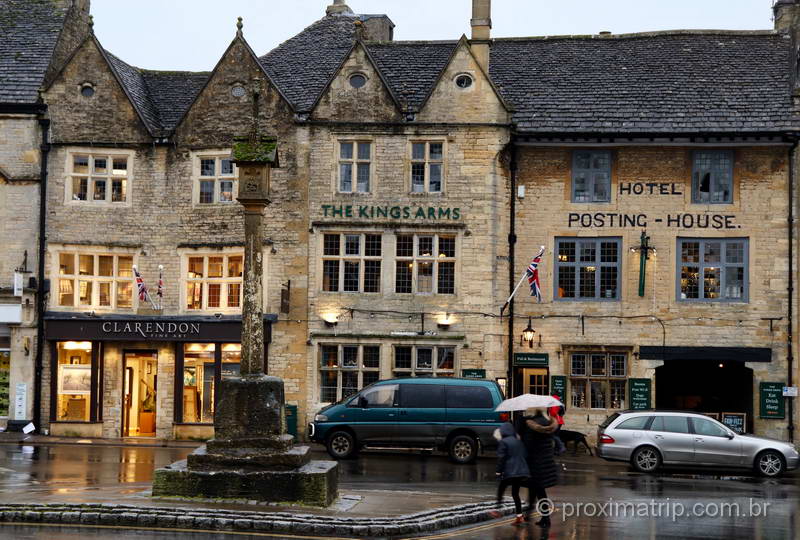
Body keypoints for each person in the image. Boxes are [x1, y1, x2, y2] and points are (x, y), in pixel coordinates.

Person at [516, 408, 559, 528]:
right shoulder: (549, 423)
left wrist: (521, 429)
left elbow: (528, 445)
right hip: (545, 461)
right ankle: (531, 515)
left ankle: (546, 518)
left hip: (535, 463)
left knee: (539, 491)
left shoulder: (531, 425)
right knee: (535, 490)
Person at [489, 422, 530, 525]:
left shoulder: (504, 442)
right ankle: (519, 517)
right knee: (515, 493)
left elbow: (501, 458)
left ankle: (497, 510)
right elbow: (525, 454)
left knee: (501, 488)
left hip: (511, 471)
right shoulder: (518, 441)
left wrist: (498, 471)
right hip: (521, 471)